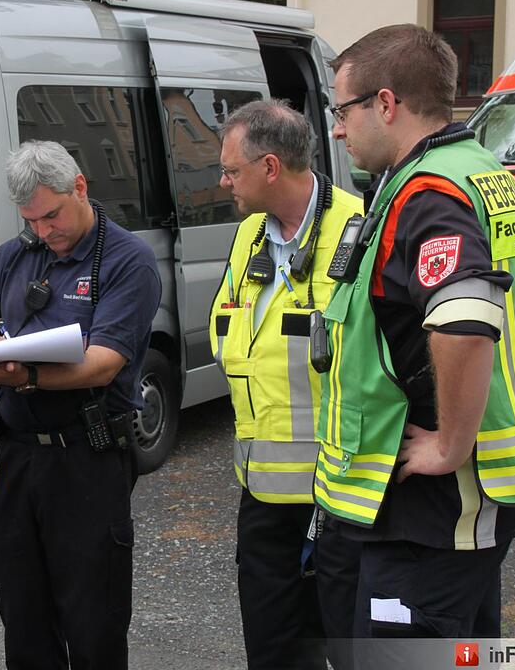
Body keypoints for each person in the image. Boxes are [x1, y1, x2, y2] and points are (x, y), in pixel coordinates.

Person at [313, 24, 515, 650]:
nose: (337, 128)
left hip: (435, 503)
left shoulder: (428, 194)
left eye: (341, 109)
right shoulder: (484, 173)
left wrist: (452, 439)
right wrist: (493, 383)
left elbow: (464, 316)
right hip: (468, 500)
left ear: (385, 103)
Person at [0, 140, 162, 670]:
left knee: (93, 620)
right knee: (24, 619)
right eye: (31, 220)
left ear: (80, 187)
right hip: (15, 458)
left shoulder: (127, 259)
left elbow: (103, 362)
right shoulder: (12, 256)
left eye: (51, 216)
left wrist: (27, 374)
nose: (43, 231)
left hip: (87, 457)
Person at [207, 100, 363, 670]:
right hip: (263, 493)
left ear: (270, 167)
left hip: (339, 495)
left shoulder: (358, 229)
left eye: (232, 170)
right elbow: (232, 328)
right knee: (272, 650)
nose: (224, 182)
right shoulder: (249, 234)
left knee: (345, 646)